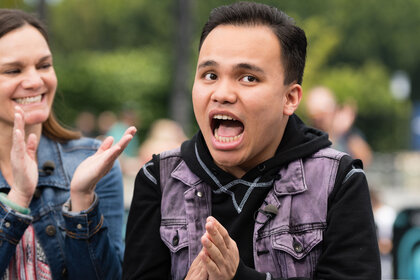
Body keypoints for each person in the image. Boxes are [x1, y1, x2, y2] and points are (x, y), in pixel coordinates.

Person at [123, 2, 380, 279]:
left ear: (290, 98)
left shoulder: (337, 182)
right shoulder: (159, 180)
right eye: (210, 75)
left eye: (247, 78)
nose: (222, 93)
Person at [0, 9, 136, 280]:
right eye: (14, 70)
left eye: (44, 65)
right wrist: (17, 201)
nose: (35, 81)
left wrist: (82, 201)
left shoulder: (93, 164)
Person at [305, 86, 373, 167]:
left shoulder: (349, 134)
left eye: (323, 113)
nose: (320, 119)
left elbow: (366, 158)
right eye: (316, 115)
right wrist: (336, 132)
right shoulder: (308, 137)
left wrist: (345, 131)